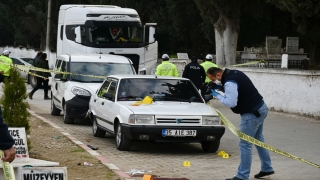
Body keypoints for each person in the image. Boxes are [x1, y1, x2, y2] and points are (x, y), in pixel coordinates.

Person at [207, 67, 274, 180]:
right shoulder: (234, 73)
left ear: (218, 75)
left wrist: (215, 94)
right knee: (258, 139)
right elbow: (238, 89)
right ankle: (267, 168)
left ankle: (242, 176)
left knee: (245, 144)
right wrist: (219, 87)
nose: (214, 82)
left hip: (251, 114)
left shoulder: (229, 82)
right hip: (261, 108)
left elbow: (231, 102)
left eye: (213, 79)